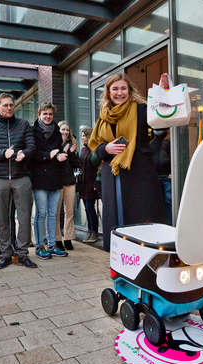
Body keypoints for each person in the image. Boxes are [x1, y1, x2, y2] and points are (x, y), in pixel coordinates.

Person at [88, 73, 166, 251]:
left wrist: (163, 94)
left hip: (138, 174)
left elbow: (160, 126)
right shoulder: (103, 117)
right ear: (108, 92)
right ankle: (120, 257)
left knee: (141, 220)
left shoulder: (141, 109)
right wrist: (105, 149)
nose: (119, 92)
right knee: (117, 218)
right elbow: (94, 151)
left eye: (123, 88)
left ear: (129, 91)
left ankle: (140, 257)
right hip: (111, 175)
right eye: (115, 89)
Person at [0, 93, 37, 269]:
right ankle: (5, 254)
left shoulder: (23, 125)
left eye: (11, 105)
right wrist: (3, 154)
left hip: (21, 177)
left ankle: (22, 254)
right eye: (5, 105)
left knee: (25, 217)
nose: (9, 108)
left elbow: (31, 147)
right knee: (2, 218)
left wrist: (23, 154)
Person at [29, 103, 69, 260]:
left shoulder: (57, 133)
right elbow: (31, 154)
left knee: (53, 213)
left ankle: (52, 245)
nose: (48, 116)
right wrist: (48, 155)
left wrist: (59, 155)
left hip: (55, 176)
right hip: (39, 177)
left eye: (50, 114)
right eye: (45, 113)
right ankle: (40, 246)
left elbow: (57, 150)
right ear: (39, 114)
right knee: (41, 213)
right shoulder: (32, 131)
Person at [55, 120, 80, 251]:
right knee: (56, 212)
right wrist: (61, 152)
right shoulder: (54, 144)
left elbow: (76, 164)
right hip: (57, 182)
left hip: (69, 181)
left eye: (67, 130)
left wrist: (71, 153)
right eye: (63, 129)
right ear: (58, 130)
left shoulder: (72, 144)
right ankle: (58, 239)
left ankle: (68, 238)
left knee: (69, 212)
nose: (65, 132)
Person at [79, 127, 100, 243]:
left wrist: (96, 182)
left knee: (89, 207)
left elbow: (97, 167)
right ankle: (90, 230)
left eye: (84, 136)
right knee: (87, 209)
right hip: (83, 183)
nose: (82, 138)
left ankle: (94, 231)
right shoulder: (83, 150)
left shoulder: (94, 149)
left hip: (91, 183)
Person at [150, 128, 172, 224]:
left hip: (168, 176)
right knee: (159, 203)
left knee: (169, 202)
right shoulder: (152, 143)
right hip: (156, 176)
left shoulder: (171, 140)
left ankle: (170, 223)